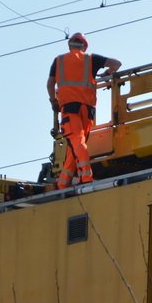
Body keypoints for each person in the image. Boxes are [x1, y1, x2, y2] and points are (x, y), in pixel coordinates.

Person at [47, 32, 121, 189]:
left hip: (69, 109)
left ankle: (86, 178)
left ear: (69, 45)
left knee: (77, 143)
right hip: (87, 111)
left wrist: (54, 101)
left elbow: (50, 84)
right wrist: (106, 74)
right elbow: (117, 64)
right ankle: (62, 183)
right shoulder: (91, 59)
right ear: (85, 46)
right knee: (75, 146)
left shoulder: (59, 60)